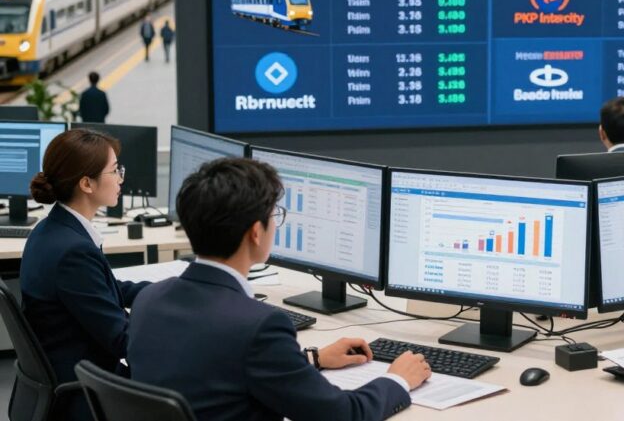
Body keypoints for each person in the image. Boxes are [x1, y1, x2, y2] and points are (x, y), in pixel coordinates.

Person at [128, 158, 430, 421]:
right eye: (275, 215)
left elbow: (215, 369)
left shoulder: (149, 299)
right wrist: (397, 380)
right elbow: (342, 414)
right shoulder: (258, 326)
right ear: (256, 233)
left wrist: (311, 359)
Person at [19, 130, 148, 421]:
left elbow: (108, 289)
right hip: (88, 391)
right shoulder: (72, 252)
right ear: (87, 183)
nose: (120, 178)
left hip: (69, 370)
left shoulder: (52, 229)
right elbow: (122, 340)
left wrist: (167, 292)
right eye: (115, 170)